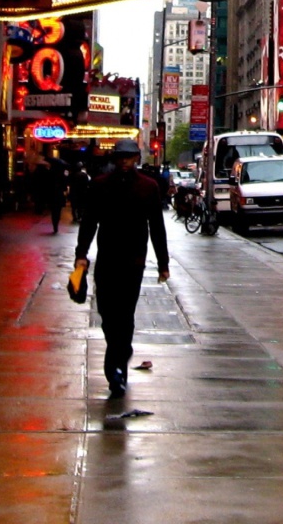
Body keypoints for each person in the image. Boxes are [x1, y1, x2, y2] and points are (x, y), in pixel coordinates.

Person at [73, 138, 169, 399]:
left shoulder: (148, 187)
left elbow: (157, 227)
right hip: (106, 261)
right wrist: (81, 255)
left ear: (136, 158)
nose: (124, 161)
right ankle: (120, 353)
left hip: (134, 262)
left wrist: (163, 263)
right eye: (120, 157)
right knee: (107, 314)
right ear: (114, 159)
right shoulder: (100, 186)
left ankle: (116, 370)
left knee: (124, 316)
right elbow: (89, 222)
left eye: (129, 157)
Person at [47, 156, 68, 234]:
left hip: (52, 194)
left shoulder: (50, 173)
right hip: (59, 194)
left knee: (53, 210)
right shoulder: (62, 174)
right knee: (58, 210)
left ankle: (54, 224)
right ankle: (56, 222)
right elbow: (64, 185)